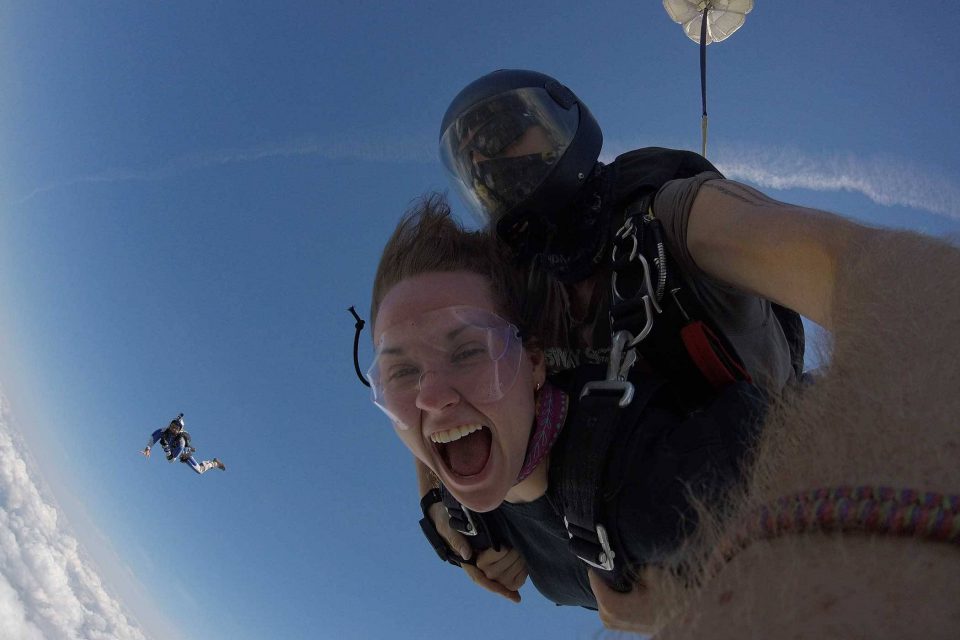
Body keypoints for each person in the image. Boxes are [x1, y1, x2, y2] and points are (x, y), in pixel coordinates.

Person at [417, 68, 803, 603]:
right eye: (472, 167)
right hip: (642, 548)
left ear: (560, 123)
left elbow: (852, 268)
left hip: (775, 471)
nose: (489, 164)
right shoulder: (523, 295)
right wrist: (444, 508)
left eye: (500, 135)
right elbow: (426, 380)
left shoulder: (679, 214)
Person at [368, 194, 767, 617]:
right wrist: (440, 515)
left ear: (535, 362)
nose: (429, 397)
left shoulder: (656, 490)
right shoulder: (476, 525)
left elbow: (812, 431)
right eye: (401, 372)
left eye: (468, 352)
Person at [141, 413, 226, 475]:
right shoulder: (164, 430)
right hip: (174, 450)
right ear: (170, 425)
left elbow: (171, 460)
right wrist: (148, 448)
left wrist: (166, 448)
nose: (173, 429)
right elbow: (154, 437)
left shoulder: (181, 441)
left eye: (176, 428)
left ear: (180, 430)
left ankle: (215, 463)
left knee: (200, 470)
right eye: (172, 426)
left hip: (184, 454)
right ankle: (210, 462)